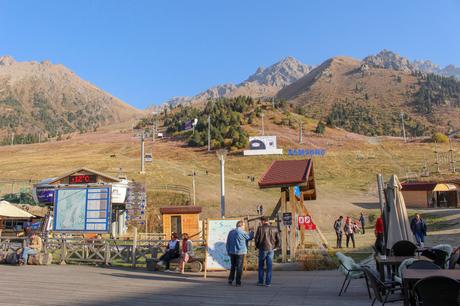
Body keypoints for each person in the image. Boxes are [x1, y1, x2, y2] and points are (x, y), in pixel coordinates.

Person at [226, 221, 254, 286]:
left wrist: (228, 251)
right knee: (239, 267)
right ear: (241, 226)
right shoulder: (241, 231)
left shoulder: (231, 232)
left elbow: (228, 242)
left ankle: (230, 279)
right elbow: (249, 237)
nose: (244, 227)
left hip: (232, 251)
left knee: (233, 266)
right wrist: (252, 231)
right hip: (240, 252)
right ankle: (238, 282)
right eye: (244, 225)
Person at [254, 216, 280, 287]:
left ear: (262, 221)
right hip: (271, 249)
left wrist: (257, 246)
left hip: (262, 249)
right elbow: (278, 240)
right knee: (269, 266)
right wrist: (276, 247)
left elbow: (256, 239)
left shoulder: (260, 228)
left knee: (261, 266)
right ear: (268, 221)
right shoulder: (275, 228)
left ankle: (260, 282)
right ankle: (268, 283)